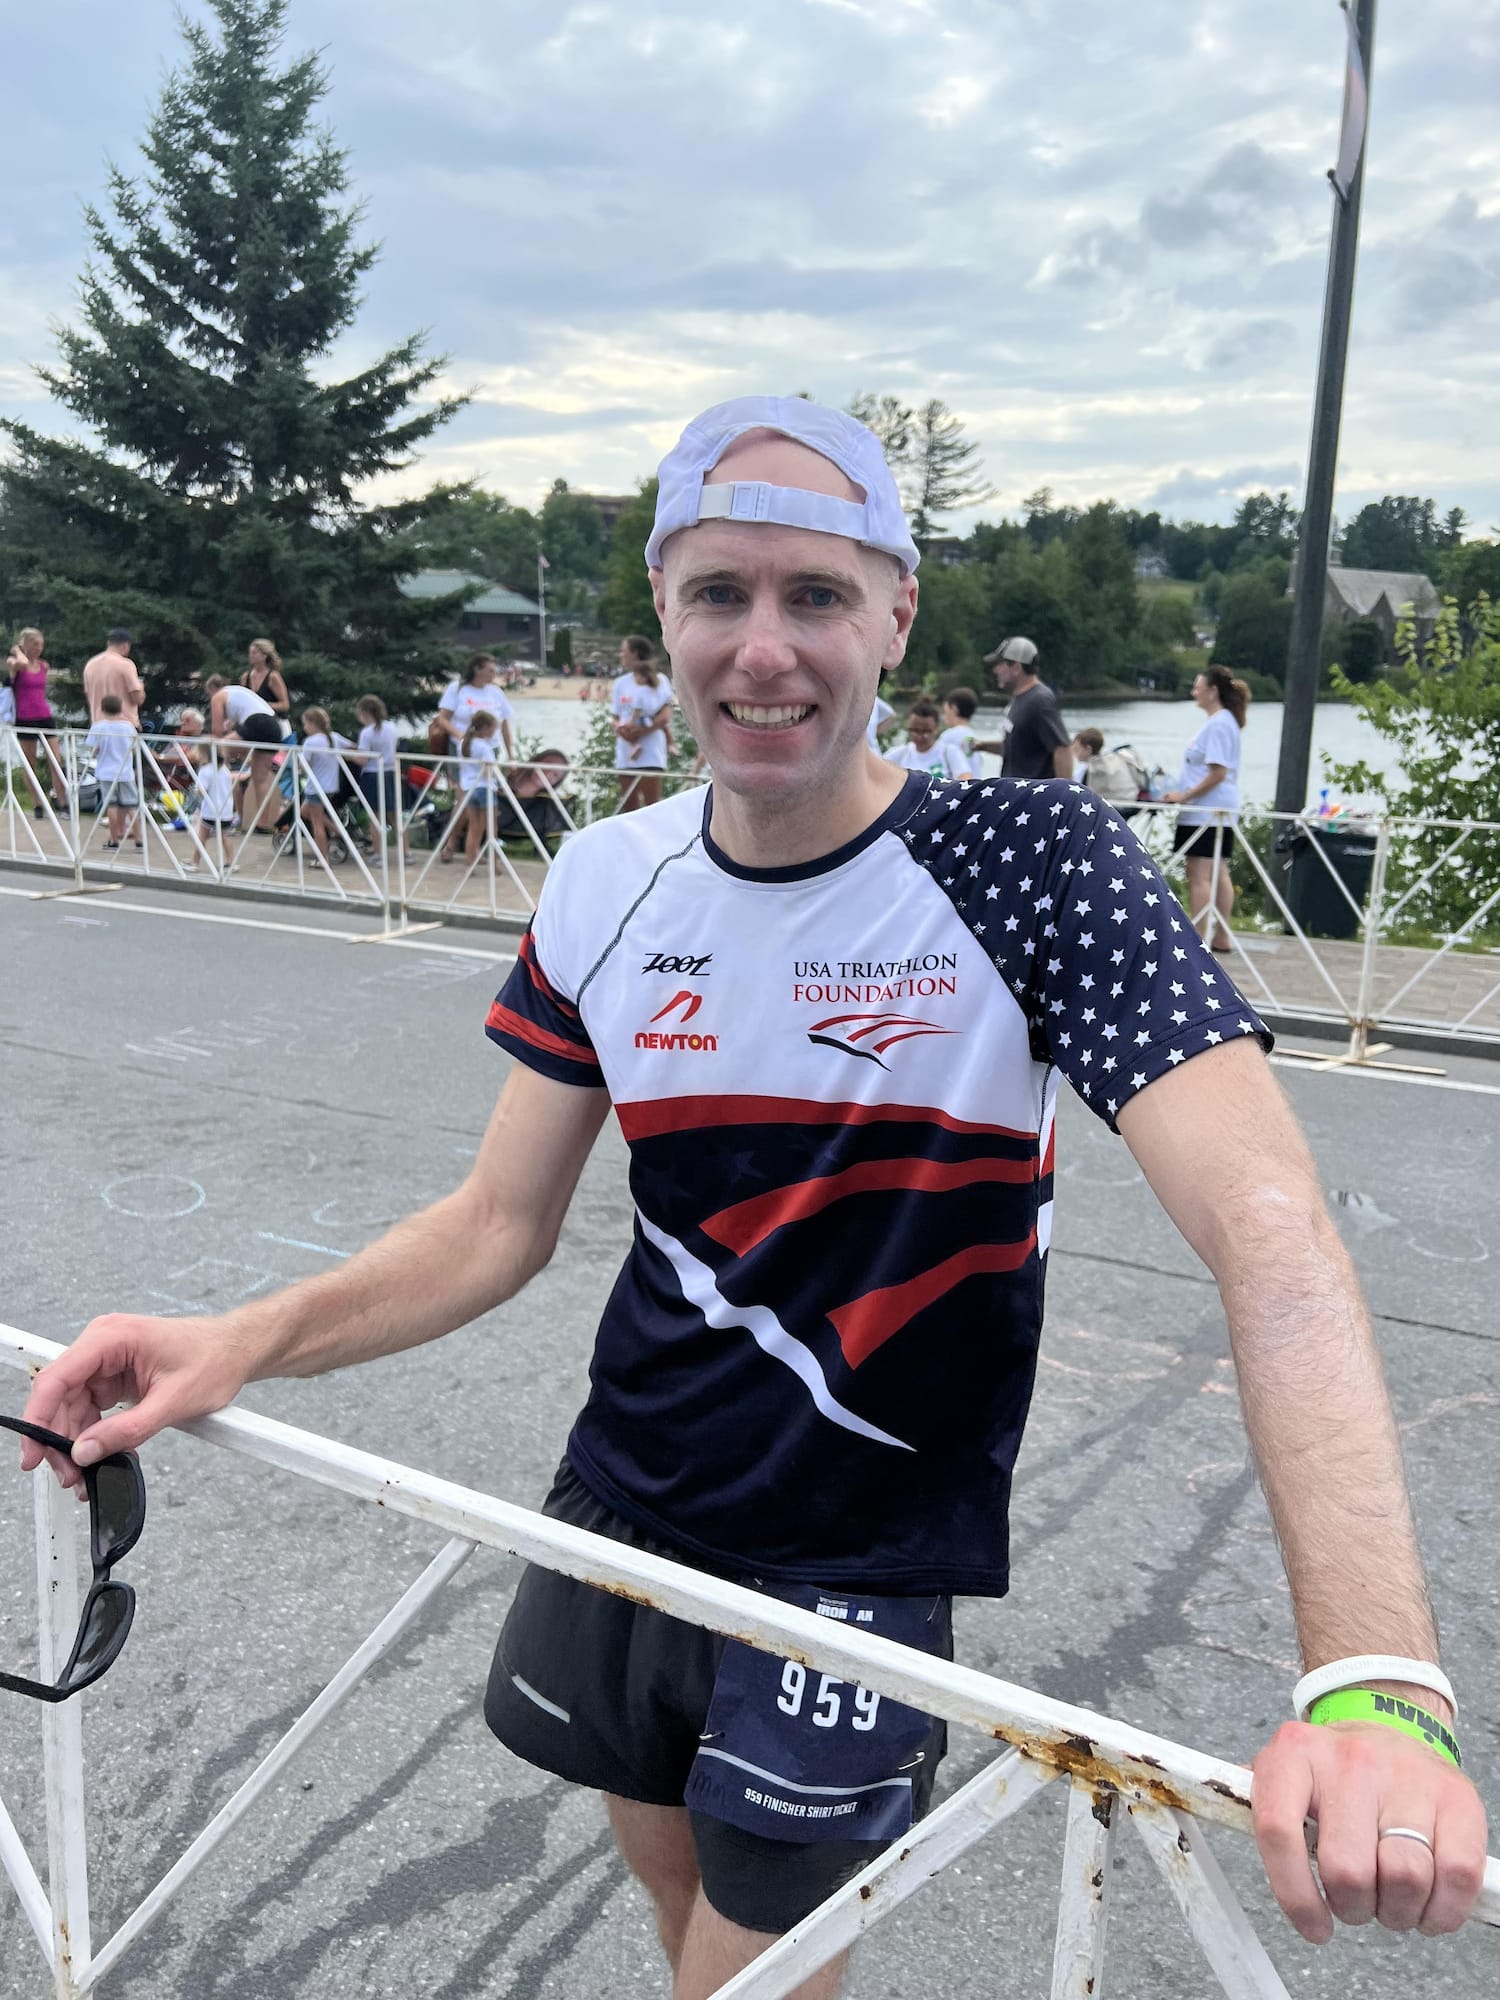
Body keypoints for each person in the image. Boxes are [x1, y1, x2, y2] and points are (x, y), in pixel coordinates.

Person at [19, 396, 1486, 2000]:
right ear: (663, 610)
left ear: (896, 615)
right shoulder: (607, 876)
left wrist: (1373, 1682)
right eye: (720, 593)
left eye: (817, 597)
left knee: (751, 1972)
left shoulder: (1036, 859)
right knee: (671, 1911)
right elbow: (498, 1223)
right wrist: (238, 1338)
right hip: (625, 1498)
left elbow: (1269, 1229)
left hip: (853, 1561)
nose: (764, 650)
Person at [1160, 664, 1249, 952]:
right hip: (1213, 811)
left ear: (1212, 691)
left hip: (1206, 811)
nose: (1193, 692)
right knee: (1218, 870)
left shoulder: (1219, 723)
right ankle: (1220, 935)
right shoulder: (1221, 722)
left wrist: (1184, 796)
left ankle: (1198, 937)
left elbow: (1218, 772)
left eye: (1198, 687)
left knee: (1198, 872)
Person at [437, 655, 515, 857]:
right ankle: (452, 842)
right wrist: (462, 737)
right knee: (464, 800)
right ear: (477, 669)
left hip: (490, 749)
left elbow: (505, 724)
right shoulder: (458, 689)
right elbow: (442, 718)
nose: (493, 674)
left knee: (486, 802)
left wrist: (511, 754)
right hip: (465, 749)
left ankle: (477, 850)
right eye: (490, 670)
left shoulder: (495, 693)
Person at [203, 674, 293, 834]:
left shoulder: (218, 696)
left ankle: (217, 815)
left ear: (211, 690)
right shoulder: (238, 693)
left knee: (215, 752)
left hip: (257, 722)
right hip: (274, 726)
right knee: (260, 778)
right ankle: (263, 823)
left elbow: (217, 731)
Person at [984, 636, 1072, 782]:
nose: (995, 670)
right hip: (1016, 797)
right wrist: (983, 747)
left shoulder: (1039, 700)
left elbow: (1062, 749)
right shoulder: (1020, 698)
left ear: (1016, 668)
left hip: (1033, 798)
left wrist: (1064, 796)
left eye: (1000, 664)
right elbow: (1020, 748)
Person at [611, 636, 675, 811]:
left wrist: (640, 731)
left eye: (624, 651)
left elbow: (665, 715)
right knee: (629, 808)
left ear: (635, 654)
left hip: (650, 752)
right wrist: (621, 730)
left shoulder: (660, 680)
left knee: (652, 807)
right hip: (626, 753)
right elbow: (615, 715)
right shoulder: (620, 683)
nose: (620, 655)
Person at [6, 627, 63, 818]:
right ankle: (37, 803)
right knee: (30, 763)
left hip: (44, 715)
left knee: (55, 759)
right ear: (26, 645)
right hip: (25, 717)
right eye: (35, 644)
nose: (39, 648)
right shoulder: (15, 662)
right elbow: (21, 663)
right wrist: (17, 650)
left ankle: (62, 802)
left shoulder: (43, 665)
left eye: (41, 644)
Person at [350, 694, 408, 852]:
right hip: (390, 772)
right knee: (395, 815)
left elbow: (362, 760)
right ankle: (406, 851)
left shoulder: (366, 732)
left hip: (372, 774)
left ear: (364, 713)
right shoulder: (391, 728)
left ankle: (378, 852)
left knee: (374, 816)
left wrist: (346, 755)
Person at [85, 693, 141, 849]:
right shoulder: (128, 727)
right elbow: (134, 748)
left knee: (111, 805)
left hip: (106, 772)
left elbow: (94, 750)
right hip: (126, 772)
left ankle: (114, 840)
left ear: (102, 709)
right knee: (131, 806)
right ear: (120, 709)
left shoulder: (98, 727)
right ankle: (139, 840)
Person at [296, 706, 345, 864]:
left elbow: (303, 765)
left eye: (305, 724)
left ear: (312, 723)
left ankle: (322, 859)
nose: (304, 728)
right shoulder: (334, 737)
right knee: (304, 811)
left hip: (316, 788)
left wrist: (298, 767)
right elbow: (352, 746)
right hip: (331, 786)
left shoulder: (310, 742)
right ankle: (337, 830)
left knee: (316, 823)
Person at [452, 709, 501, 865]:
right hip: (484, 788)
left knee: (474, 827)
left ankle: (470, 860)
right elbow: (490, 769)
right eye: (493, 728)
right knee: (491, 828)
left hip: (469, 787)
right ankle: (495, 864)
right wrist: (500, 781)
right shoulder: (484, 747)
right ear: (485, 728)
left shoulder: (463, 744)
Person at [882, 698, 970, 779]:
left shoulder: (950, 753)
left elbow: (966, 780)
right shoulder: (899, 754)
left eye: (926, 731)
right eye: (915, 730)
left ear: (936, 728)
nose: (920, 737)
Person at [1071, 727, 1145, 815]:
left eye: (1076, 749)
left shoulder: (1090, 770)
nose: (1073, 753)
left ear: (1088, 749)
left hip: (1113, 810)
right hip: (1131, 804)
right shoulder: (1118, 757)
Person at [82, 628, 146, 727]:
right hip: (124, 727)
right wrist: (141, 686)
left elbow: (88, 694)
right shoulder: (125, 664)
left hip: (98, 726)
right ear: (126, 646)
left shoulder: (90, 665)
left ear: (109, 643)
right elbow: (137, 699)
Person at [239, 638, 291, 723]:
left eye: (254, 653)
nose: (251, 655)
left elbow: (285, 705)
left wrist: (263, 705)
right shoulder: (245, 677)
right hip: (254, 722)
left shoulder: (273, 677)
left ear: (264, 655)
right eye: (250, 653)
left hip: (276, 721)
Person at [936, 686, 982, 778]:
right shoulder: (974, 737)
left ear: (954, 709)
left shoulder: (948, 736)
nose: (944, 717)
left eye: (945, 711)